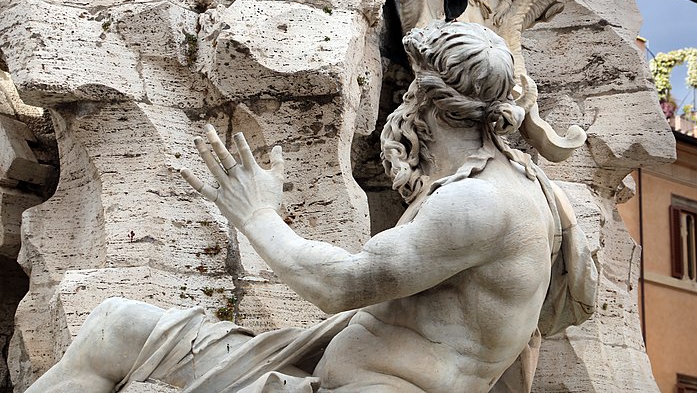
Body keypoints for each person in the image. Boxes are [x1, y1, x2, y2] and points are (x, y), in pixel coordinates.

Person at [25, 21, 596, 393]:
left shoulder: (479, 204)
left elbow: (342, 286)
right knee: (114, 325)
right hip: (324, 366)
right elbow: (526, 342)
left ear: (423, 100)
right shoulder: (518, 186)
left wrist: (256, 215)